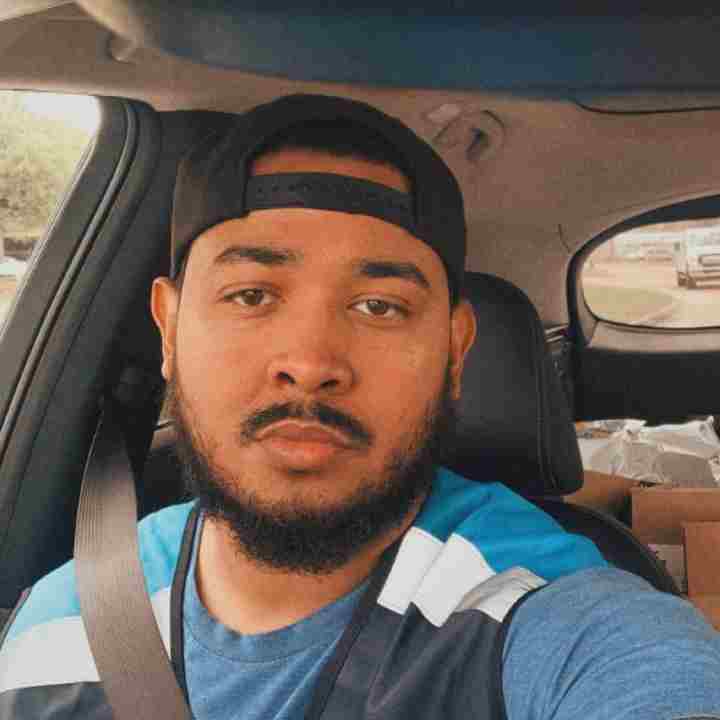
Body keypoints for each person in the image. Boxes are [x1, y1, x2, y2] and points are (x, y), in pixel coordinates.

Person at [1, 93, 719, 719]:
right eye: (251, 295)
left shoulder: (544, 613)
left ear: (454, 351)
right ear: (169, 330)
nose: (311, 363)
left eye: (379, 306)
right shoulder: (53, 637)